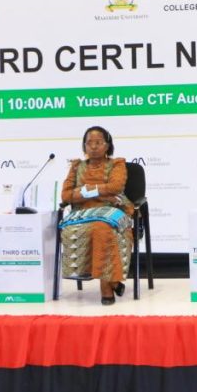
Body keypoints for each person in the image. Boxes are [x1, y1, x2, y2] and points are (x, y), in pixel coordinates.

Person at [59, 126, 134, 305]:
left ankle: (105, 287)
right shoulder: (77, 166)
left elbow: (116, 188)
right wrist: (99, 192)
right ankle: (113, 280)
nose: (93, 147)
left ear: (107, 145)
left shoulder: (117, 164)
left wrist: (85, 191)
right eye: (89, 143)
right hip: (82, 213)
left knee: (102, 227)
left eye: (98, 142)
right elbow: (66, 195)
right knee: (75, 230)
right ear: (84, 146)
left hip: (113, 210)